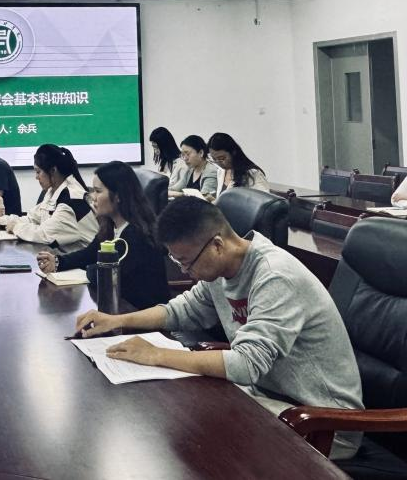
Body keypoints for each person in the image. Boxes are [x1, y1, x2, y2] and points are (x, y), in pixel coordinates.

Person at [74, 197, 362, 460]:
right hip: (267, 397)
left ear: (217, 245)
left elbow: (246, 364)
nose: (184, 271)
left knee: (198, 440)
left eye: (186, 262)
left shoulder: (275, 276)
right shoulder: (221, 271)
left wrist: (156, 354)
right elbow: (180, 311)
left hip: (323, 422)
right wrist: (117, 320)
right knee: (176, 426)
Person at [37, 161, 169, 310]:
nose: (93, 197)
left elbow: (104, 275)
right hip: (121, 308)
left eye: (98, 191)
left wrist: (90, 269)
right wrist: (58, 262)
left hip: (143, 315)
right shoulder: (111, 227)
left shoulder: (136, 235)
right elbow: (89, 254)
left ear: (118, 196)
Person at [0, 144, 97, 252]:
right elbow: (32, 218)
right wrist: (1, 221)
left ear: (53, 170)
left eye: (38, 172)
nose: (36, 177)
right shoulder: (53, 192)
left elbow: (45, 235)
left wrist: (15, 227)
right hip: (61, 255)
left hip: (83, 262)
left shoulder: (72, 199)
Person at [208, 132, 270, 196]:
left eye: (222, 158)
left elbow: (263, 200)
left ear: (233, 152)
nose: (218, 163)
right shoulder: (221, 171)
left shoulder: (252, 173)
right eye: (214, 159)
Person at [167, 135, 219, 201]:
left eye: (187, 154)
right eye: (183, 155)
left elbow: (204, 199)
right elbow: (175, 189)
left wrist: (180, 194)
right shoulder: (190, 170)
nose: (185, 158)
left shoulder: (211, 171)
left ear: (201, 153)